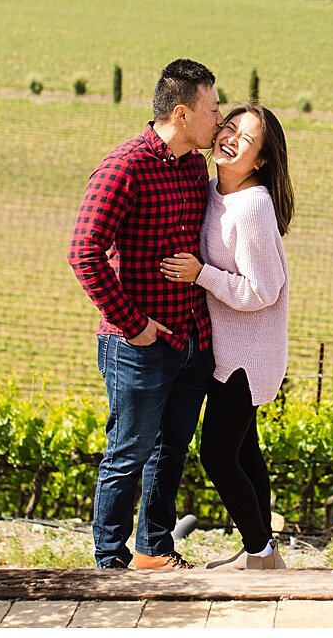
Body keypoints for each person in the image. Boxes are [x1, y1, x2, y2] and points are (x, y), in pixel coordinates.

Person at [68, 58, 222, 571]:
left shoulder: (195, 166)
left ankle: (153, 548)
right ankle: (109, 562)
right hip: (138, 345)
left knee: (170, 451)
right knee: (127, 453)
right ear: (182, 113)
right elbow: (84, 253)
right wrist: (133, 324)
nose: (219, 119)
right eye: (213, 108)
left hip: (192, 339)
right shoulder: (124, 167)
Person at [160, 103, 294, 571]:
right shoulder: (214, 188)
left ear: (260, 161)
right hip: (228, 347)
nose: (231, 138)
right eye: (230, 127)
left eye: (247, 139)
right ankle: (264, 552)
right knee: (244, 449)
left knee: (216, 454)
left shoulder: (253, 205)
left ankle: (259, 552)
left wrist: (202, 276)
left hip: (247, 354)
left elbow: (262, 289)